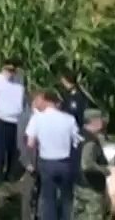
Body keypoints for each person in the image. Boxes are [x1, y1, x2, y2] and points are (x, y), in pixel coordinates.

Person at [25, 90, 82, 220]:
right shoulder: (69, 119)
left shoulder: (37, 118)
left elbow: (30, 143)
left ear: (45, 100)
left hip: (46, 162)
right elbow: (77, 141)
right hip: (65, 162)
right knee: (66, 198)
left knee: (48, 197)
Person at [0, 59, 27, 182]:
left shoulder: (19, 81)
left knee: (13, 150)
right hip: (1, 119)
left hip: (15, 120)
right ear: (3, 69)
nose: (11, 73)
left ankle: (11, 174)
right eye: (9, 70)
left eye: (13, 70)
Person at [72, 109, 111, 220]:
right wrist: (105, 170)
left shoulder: (79, 134)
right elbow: (87, 164)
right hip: (91, 187)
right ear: (96, 121)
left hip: (79, 184)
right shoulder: (91, 141)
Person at [20, 92, 44, 220]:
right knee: (28, 192)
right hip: (31, 160)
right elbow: (21, 142)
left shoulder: (44, 116)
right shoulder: (26, 117)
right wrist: (26, 161)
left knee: (40, 191)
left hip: (42, 160)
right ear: (34, 101)